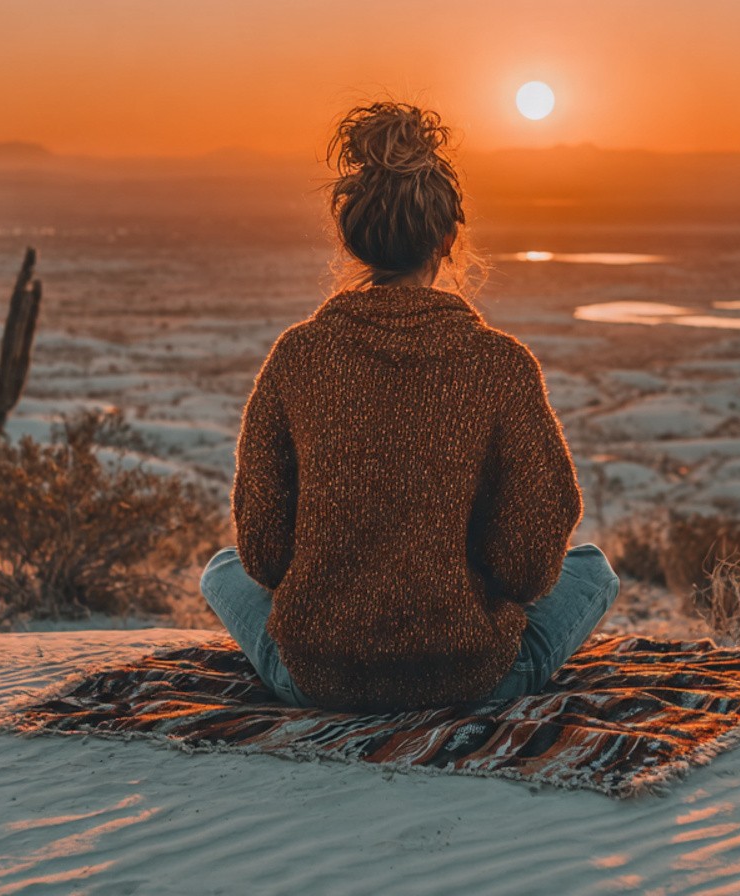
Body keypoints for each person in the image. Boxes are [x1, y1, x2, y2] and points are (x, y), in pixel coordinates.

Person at [200, 99, 619, 711]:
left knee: (222, 569)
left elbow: (263, 558)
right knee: (593, 570)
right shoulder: (500, 365)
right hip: (469, 680)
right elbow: (528, 571)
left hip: (318, 680)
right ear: (448, 238)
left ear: (353, 237)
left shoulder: (299, 356)